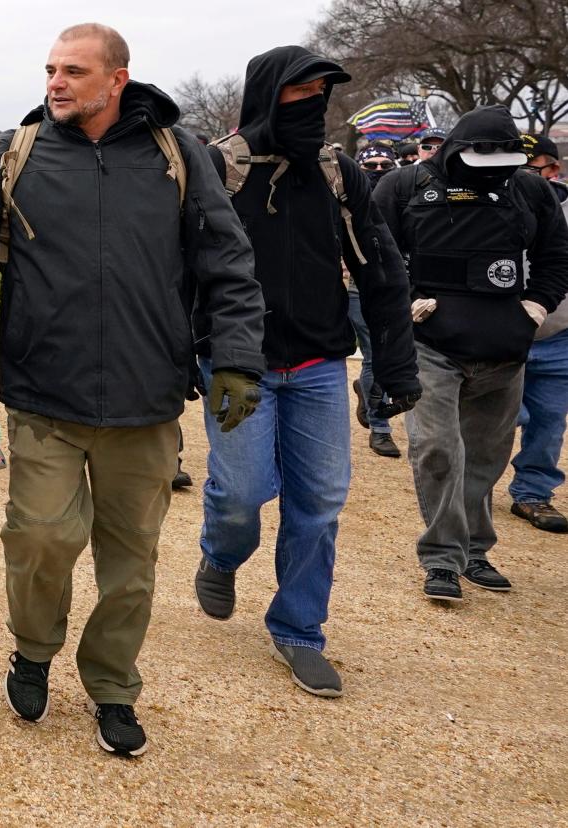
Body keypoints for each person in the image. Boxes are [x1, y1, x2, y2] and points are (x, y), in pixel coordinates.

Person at [0, 23, 266, 755]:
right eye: (51, 68)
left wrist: (238, 358)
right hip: (45, 395)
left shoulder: (178, 157)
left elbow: (228, 264)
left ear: (117, 79)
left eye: (74, 71)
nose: (55, 82)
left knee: (130, 564)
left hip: (147, 402)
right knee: (42, 538)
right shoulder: (11, 155)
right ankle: (32, 647)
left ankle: (113, 686)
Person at [196, 46, 420, 698]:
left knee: (319, 503)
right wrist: (183, 352)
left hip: (321, 362)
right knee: (242, 493)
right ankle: (221, 553)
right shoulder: (219, 167)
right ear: (268, 94)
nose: (315, 106)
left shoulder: (338, 172)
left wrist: (395, 366)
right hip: (238, 364)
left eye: (323, 93)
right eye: (301, 93)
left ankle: (298, 630)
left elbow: (381, 269)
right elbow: (177, 270)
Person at [373, 107, 568, 601]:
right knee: (438, 449)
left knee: (484, 457)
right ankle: (441, 557)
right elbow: (375, 254)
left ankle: (475, 549)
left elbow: (556, 257)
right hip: (430, 344)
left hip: (505, 347)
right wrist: (407, 297)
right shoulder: (404, 187)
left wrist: (535, 306)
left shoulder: (530, 190)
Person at [510, 134, 568, 531]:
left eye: (536, 169)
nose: (528, 177)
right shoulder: (493, 205)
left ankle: (533, 493)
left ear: (554, 170)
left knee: (548, 422)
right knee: (501, 415)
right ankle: (469, 488)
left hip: (559, 336)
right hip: (501, 335)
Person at [349, 143, 402, 457]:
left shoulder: (405, 199)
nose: (378, 171)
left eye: (386, 165)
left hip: (394, 288)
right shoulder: (345, 195)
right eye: (372, 165)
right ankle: (380, 428)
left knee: (384, 357)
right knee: (375, 355)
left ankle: (368, 394)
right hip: (351, 287)